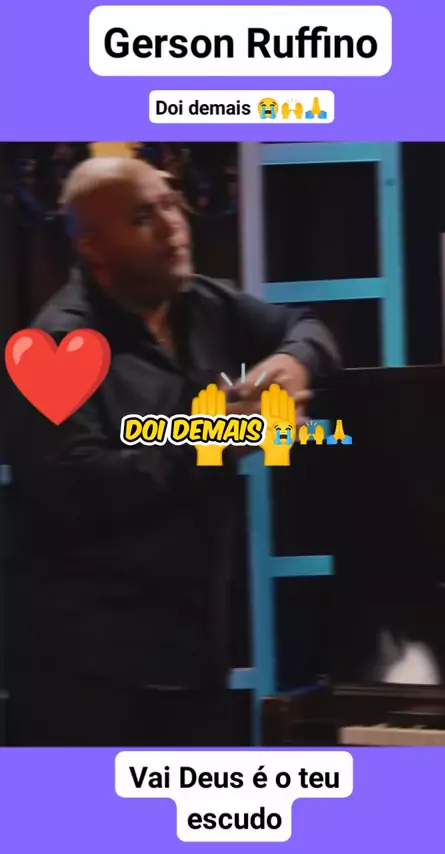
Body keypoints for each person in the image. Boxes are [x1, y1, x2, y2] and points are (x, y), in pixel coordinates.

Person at [6, 156, 340, 747]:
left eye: (170, 203)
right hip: (88, 673)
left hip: (196, 654)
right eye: (143, 217)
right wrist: (217, 437)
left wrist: (293, 362)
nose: (173, 226)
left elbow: (308, 327)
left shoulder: (203, 304)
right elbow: (78, 488)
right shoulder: (55, 343)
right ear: (91, 245)